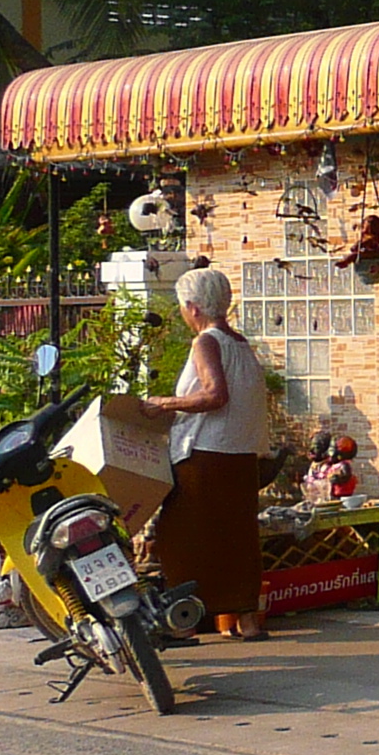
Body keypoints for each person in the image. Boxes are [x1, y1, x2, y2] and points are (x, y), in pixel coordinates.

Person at [141, 264, 271, 639]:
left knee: (179, 537)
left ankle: (182, 622)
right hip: (241, 454)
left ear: (193, 307)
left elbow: (215, 395)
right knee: (238, 539)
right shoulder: (240, 343)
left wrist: (165, 403)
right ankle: (246, 620)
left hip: (205, 455)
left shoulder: (206, 342)